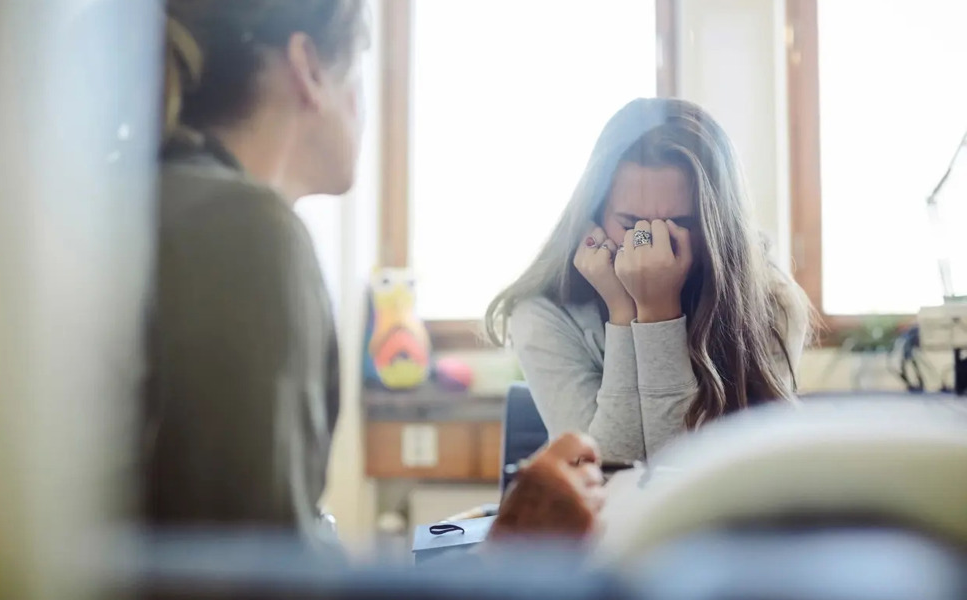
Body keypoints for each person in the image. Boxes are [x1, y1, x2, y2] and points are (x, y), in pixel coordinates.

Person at [145, 0, 604, 548]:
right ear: (309, 68)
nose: (362, 104)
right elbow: (252, 577)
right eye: (359, 68)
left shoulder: (169, 203)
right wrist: (506, 554)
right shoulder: (242, 229)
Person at [485, 98, 811, 463]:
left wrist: (658, 313)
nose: (651, 246)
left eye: (682, 224)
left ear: (719, 228)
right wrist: (624, 314)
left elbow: (688, 477)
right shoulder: (543, 313)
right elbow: (605, 472)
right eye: (630, 224)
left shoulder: (770, 302)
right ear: (592, 216)